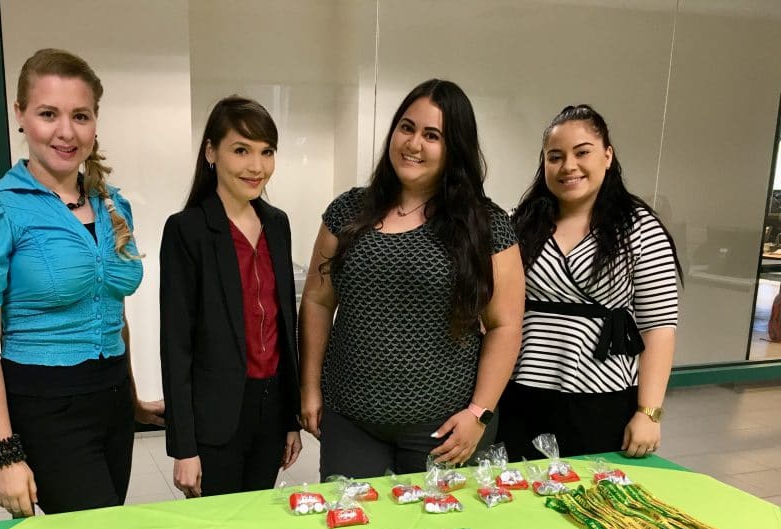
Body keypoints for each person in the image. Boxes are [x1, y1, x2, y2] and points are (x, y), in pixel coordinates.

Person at [0, 49, 162, 517]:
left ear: (96, 122)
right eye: (48, 114)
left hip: (112, 399)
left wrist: (132, 397)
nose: (66, 131)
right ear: (21, 116)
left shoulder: (113, 204)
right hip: (46, 404)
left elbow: (114, 314)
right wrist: (4, 454)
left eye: (80, 115)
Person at [299, 79, 524, 479]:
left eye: (432, 135)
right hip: (351, 417)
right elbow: (317, 301)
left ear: (455, 147)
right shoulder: (348, 210)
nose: (413, 143)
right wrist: (311, 387)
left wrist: (478, 413)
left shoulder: (485, 225)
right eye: (406, 127)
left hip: (444, 424)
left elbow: (505, 325)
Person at [498, 104, 681, 460]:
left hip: (601, 395)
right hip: (521, 390)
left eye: (582, 152)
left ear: (607, 156)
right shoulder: (521, 224)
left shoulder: (639, 228)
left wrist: (649, 413)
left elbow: (658, 328)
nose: (569, 166)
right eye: (555, 156)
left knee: (588, 499)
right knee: (519, 497)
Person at [159, 96, 302, 497]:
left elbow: (283, 326)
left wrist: (290, 418)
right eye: (241, 150)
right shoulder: (187, 230)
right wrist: (183, 448)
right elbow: (176, 346)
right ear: (211, 152)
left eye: (266, 152)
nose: (256, 167)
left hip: (271, 411)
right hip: (216, 418)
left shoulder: (278, 225)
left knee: (255, 524)